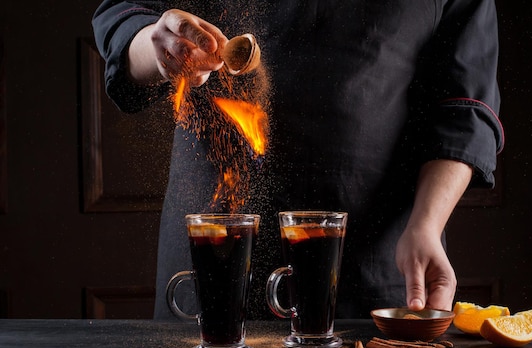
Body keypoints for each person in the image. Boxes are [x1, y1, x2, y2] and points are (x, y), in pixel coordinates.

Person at [92, 0, 504, 320]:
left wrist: (428, 225)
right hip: (215, 248)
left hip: (374, 262)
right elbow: (124, 17)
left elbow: (462, 104)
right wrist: (156, 45)